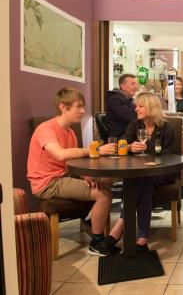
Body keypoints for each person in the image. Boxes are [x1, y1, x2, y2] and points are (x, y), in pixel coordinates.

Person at [27, 87, 120, 256]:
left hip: (63, 176)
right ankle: (97, 243)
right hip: (48, 183)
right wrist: (97, 149)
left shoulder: (69, 132)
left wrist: (85, 175)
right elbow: (61, 155)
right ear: (63, 107)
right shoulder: (45, 129)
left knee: (106, 181)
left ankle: (91, 222)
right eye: (79, 106)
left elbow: (71, 163)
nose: (83, 111)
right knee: (103, 195)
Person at [107, 92, 175, 251]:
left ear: (151, 107)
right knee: (145, 184)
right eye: (136, 106)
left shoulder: (166, 128)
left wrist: (147, 154)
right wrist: (130, 147)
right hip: (144, 175)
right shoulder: (134, 125)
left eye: (140, 106)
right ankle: (142, 239)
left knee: (141, 179)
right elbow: (122, 145)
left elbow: (168, 156)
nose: (136, 109)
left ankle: (118, 228)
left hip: (162, 173)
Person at [106, 74, 139, 138]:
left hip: (130, 134)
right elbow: (131, 117)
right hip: (120, 138)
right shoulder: (115, 100)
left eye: (136, 84)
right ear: (123, 86)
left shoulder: (128, 99)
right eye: (133, 84)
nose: (136, 87)